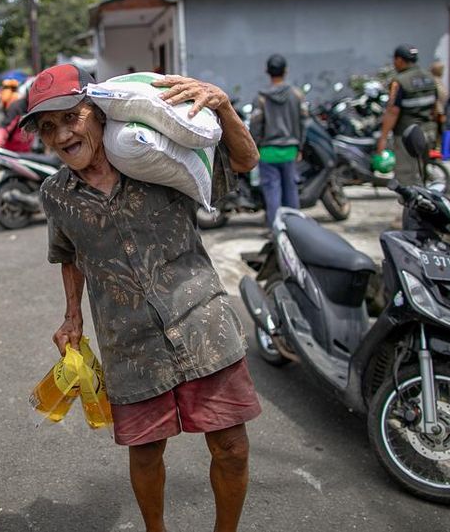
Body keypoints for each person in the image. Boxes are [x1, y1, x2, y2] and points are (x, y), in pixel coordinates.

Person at [25, 64, 261, 532]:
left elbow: (244, 161)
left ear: (98, 114)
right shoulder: (57, 194)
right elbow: (67, 253)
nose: (62, 135)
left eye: (71, 118)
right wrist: (72, 316)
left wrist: (225, 107)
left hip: (201, 323)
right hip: (128, 340)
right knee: (147, 452)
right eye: (48, 128)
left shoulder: (157, 156)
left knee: (231, 447)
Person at [376, 45, 438, 225]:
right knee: (423, 173)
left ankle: (411, 218)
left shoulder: (400, 81)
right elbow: (435, 107)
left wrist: (382, 138)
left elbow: (392, 111)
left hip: (407, 136)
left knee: (406, 178)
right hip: (428, 132)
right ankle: (426, 213)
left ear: (400, 60)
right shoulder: (429, 77)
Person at [248, 53, 303, 229]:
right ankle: (296, 231)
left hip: (268, 152)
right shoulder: (296, 95)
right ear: (285, 71)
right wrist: (299, 147)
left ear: (267, 71)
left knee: (272, 194)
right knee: (291, 192)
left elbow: (255, 127)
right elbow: (303, 123)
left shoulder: (261, 98)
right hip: (290, 151)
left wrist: (254, 147)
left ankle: (276, 232)